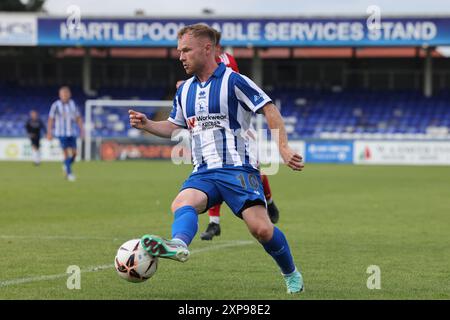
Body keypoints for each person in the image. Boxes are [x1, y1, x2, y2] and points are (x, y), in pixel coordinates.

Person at [129, 24, 304, 294]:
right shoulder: (184, 90)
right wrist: (148, 124)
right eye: (179, 51)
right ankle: (178, 244)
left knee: (262, 230)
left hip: (238, 169)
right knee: (182, 202)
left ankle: (291, 273)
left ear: (207, 48)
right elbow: (175, 126)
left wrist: (282, 147)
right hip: (203, 172)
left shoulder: (234, 81)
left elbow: (269, 108)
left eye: (186, 50)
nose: (181, 56)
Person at [177, 29, 280, 241]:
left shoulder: (227, 63)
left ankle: (267, 201)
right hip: (209, 130)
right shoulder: (198, 69)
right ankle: (214, 223)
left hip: (237, 128)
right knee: (212, 170)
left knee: (254, 167)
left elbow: (230, 91)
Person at [47, 86, 84, 182]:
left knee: (75, 154)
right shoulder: (56, 105)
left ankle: (66, 165)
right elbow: (51, 119)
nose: (65, 95)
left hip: (72, 132)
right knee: (66, 154)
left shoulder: (73, 104)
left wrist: (82, 130)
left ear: (69, 94)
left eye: (66, 94)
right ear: (60, 95)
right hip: (61, 133)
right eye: (63, 94)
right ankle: (69, 174)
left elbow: (78, 117)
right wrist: (49, 132)